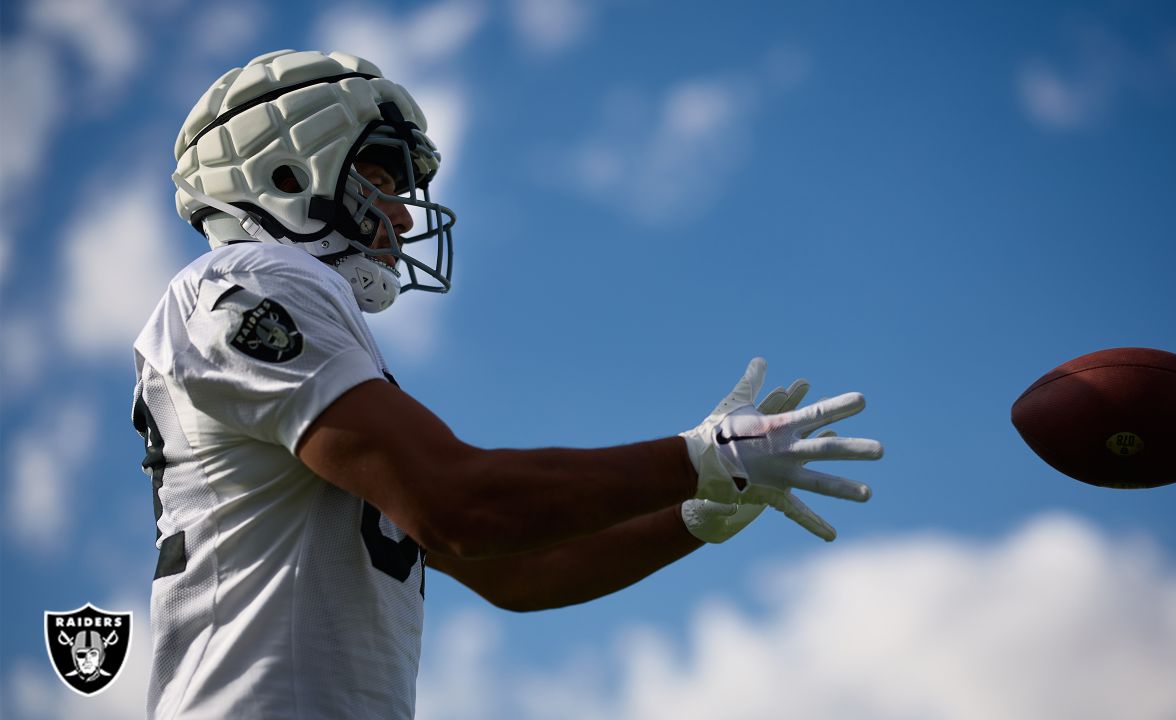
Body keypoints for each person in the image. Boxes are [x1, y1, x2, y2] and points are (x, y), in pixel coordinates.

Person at [134, 49, 883, 719]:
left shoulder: (319, 343)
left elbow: (521, 571)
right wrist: (699, 457)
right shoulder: (252, 277)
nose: (399, 211)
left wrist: (694, 512)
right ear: (288, 171)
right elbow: (461, 506)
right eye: (381, 174)